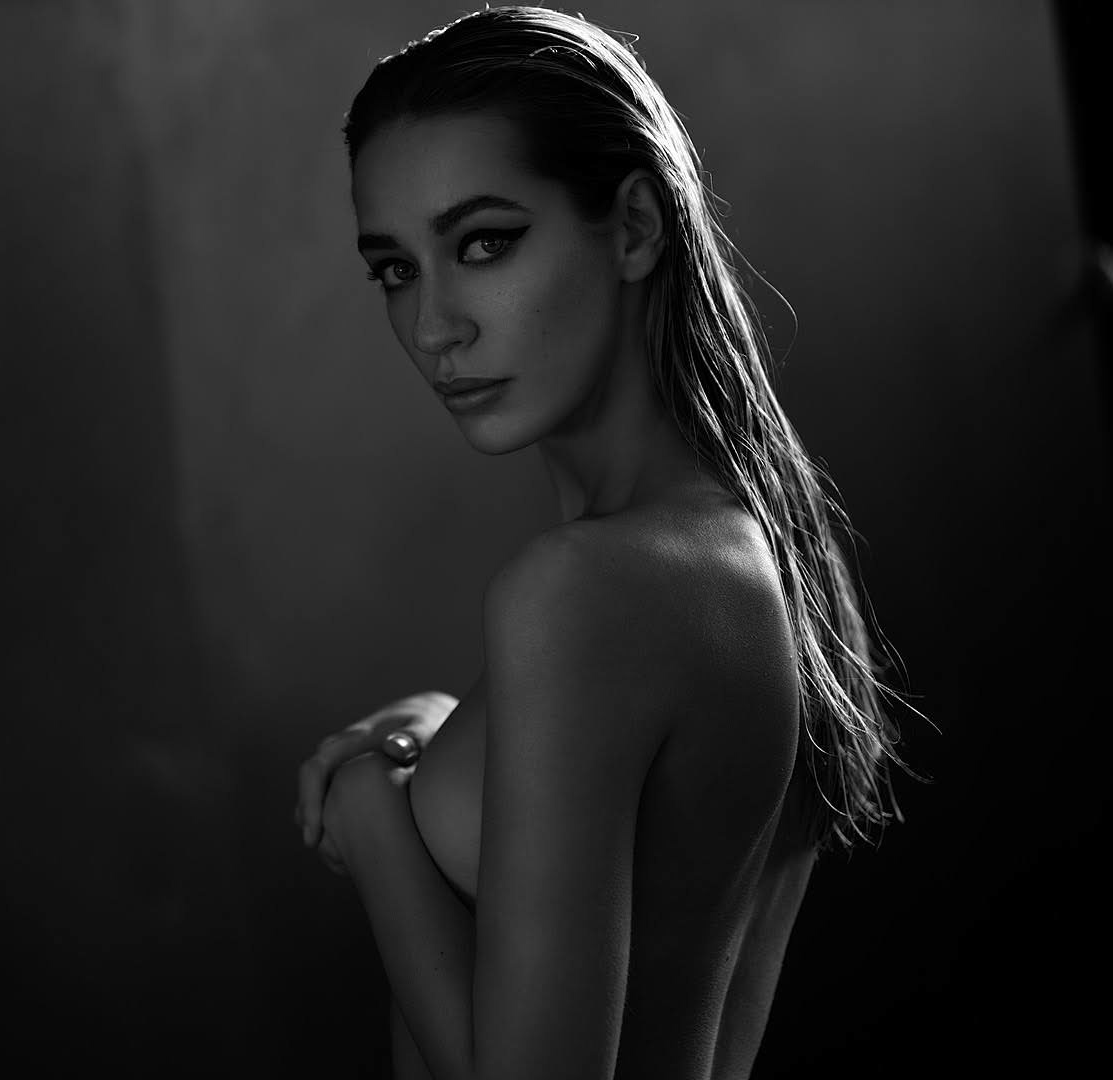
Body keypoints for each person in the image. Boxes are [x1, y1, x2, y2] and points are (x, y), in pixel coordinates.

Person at [290, 7, 920, 1079]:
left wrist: (373, 815)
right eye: (393, 268)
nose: (434, 326)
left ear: (632, 227)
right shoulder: (756, 555)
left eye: (483, 243)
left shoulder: (581, 591)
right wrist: (441, 739)